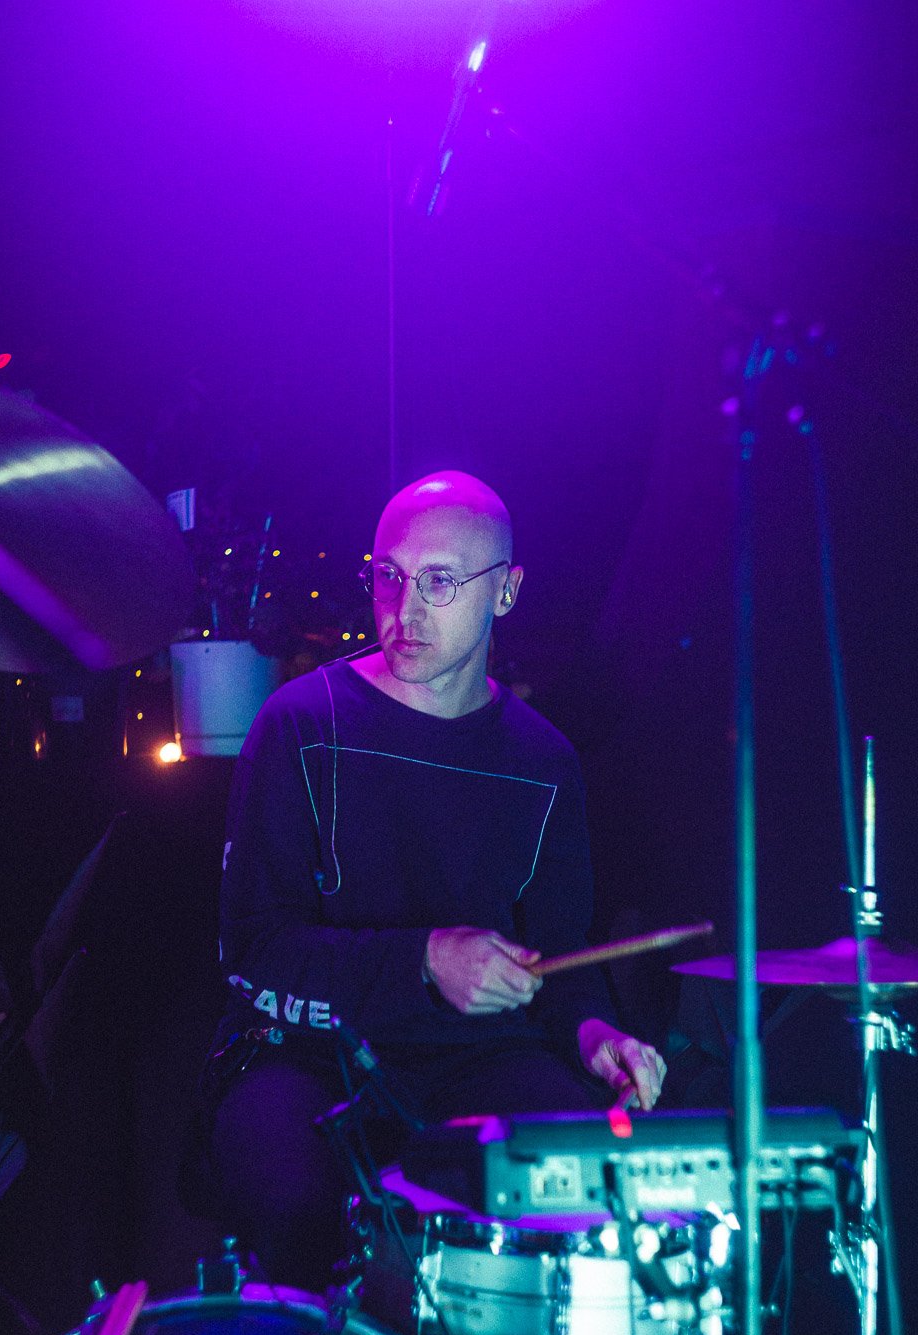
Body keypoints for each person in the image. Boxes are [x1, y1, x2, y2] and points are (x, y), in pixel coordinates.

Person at [191, 470, 666, 1288]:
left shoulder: (545, 761)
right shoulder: (302, 723)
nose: (403, 609)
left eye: (440, 580)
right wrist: (423, 960)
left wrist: (599, 1038)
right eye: (389, 575)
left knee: (586, 1187)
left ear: (506, 591)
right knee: (306, 1209)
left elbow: (559, 961)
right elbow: (252, 951)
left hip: (476, 1060)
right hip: (301, 1055)